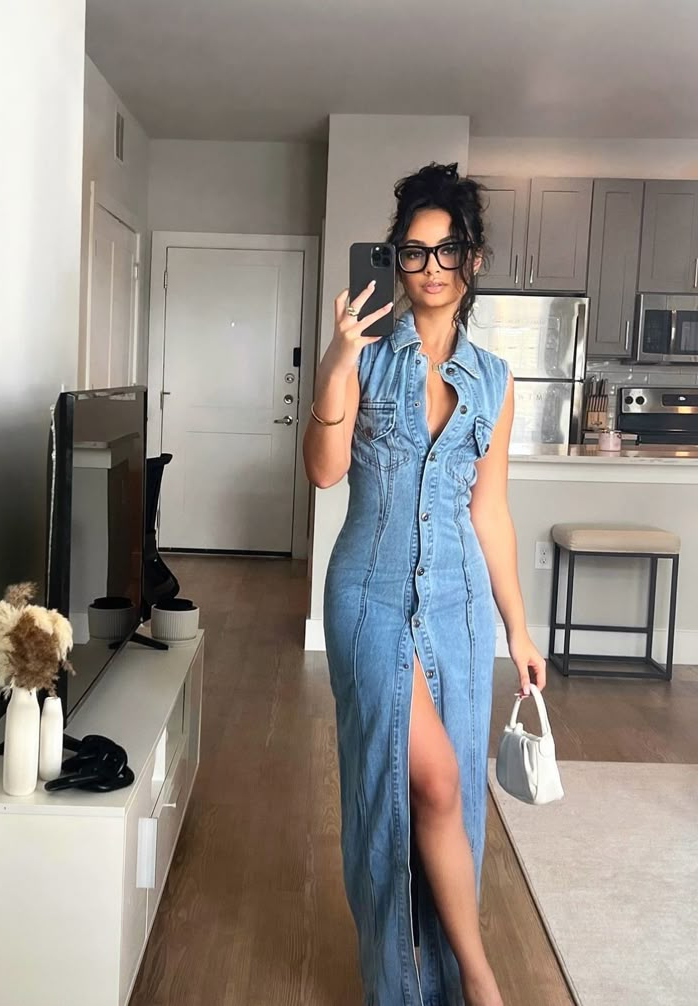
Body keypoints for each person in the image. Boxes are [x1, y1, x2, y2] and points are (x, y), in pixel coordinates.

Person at [303, 162, 546, 1006]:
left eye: (449, 251)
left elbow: (492, 512)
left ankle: (447, 983)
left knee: (449, 797)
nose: (433, 268)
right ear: (395, 261)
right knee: (410, 784)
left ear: (471, 262)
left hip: (460, 606)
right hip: (368, 596)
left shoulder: (495, 381)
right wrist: (338, 356)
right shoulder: (364, 359)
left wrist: (518, 627)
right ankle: (465, 984)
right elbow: (325, 472)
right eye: (416, 252)